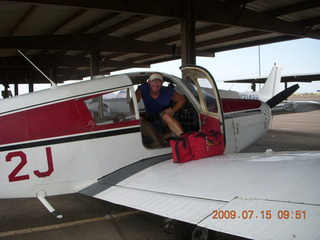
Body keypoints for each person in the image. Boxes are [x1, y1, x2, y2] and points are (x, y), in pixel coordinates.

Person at [136, 73, 186, 140]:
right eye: (153, 81)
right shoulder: (143, 88)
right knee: (156, 140)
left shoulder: (168, 91)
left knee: (166, 116)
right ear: (149, 82)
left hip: (164, 117)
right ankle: (172, 134)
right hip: (151, 119)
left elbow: (182, 100)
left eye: (159, 82)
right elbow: (132, 102)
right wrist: (135, 116)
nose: (156, 84)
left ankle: (184, 139)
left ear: (162, 83)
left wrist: (173, 110)